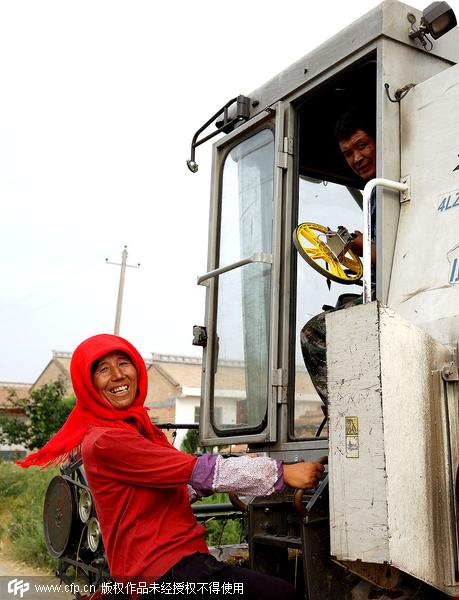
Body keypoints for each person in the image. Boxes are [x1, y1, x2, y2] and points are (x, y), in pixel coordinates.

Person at [18, 333, 324, 598]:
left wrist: (242, 464)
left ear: (137, 369)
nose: (118, 375)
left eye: (124, 364)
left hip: (168, 567)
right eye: (102, 369)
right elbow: (194, 469)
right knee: (282, 595)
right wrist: (283, 473)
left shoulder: (131, 429)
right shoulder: (107, 440)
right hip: (164, 574)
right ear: (88, 385)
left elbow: (175, 485)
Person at [300, 109, 377, 403]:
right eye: (348, 153)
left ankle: (346, 409)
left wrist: (363, 250)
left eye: (362, 145)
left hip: (395, 293)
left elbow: (398, 251)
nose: (356, 158)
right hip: (377, 289)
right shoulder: (372, 195)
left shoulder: (388, 188)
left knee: (315, 333)